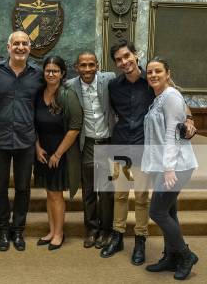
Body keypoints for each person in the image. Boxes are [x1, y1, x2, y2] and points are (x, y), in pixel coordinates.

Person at [100, 39, 196, 265]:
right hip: (121, 145)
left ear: (135, 55)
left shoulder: (152, 80)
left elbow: (177, 99)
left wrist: (190, 118)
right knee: (120, 195)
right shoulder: (114, 86)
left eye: (127, 56)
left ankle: (140, 240)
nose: (124, 62)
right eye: (119, 60)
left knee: (142, 198)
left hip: (146, 148)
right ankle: (117, 236)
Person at [141, 57, 198, 280]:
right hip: (166, 165)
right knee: (169, 211)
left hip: (176, 166)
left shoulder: (171, 96)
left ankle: (185, 255)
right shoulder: (159, 98)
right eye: (149, 72)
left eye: (157, 71)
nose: (153, 75)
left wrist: (168, 168)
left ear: (167, 73)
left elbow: (171, 134)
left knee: (157, 211)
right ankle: (171, 257)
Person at [0, 31, 43, 252]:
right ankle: (2, 229)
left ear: (30, 47)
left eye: (24, 43)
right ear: (8, 47)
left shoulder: (38, 74)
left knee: (22, 187)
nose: (20, 47)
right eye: (16, 43)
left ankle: (18, 230)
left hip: (26, 139)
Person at [69, 51, 116, 249]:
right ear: (76, 67)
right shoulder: (70, 86)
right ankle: (92, 228)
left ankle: (107, 230)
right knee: (88, 190)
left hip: (109, 143)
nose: (87, 69)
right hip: (86, 144)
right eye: (83, 65)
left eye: (91, 65)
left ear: (98, 65)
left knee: (107, 191)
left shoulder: (109, 79)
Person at [34, 56, 82, 250]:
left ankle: (59, 234)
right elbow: (33, 124)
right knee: (49, 194)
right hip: (42, 152)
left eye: (55, 71)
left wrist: (57, 154)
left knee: (56, 195)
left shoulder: (67, 95)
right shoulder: (39, 93)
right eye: (48, 70)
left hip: (60, 153)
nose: (51, 74)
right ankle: (51, 230)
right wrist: (37, 147)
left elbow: (75, 128)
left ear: (62, 74)